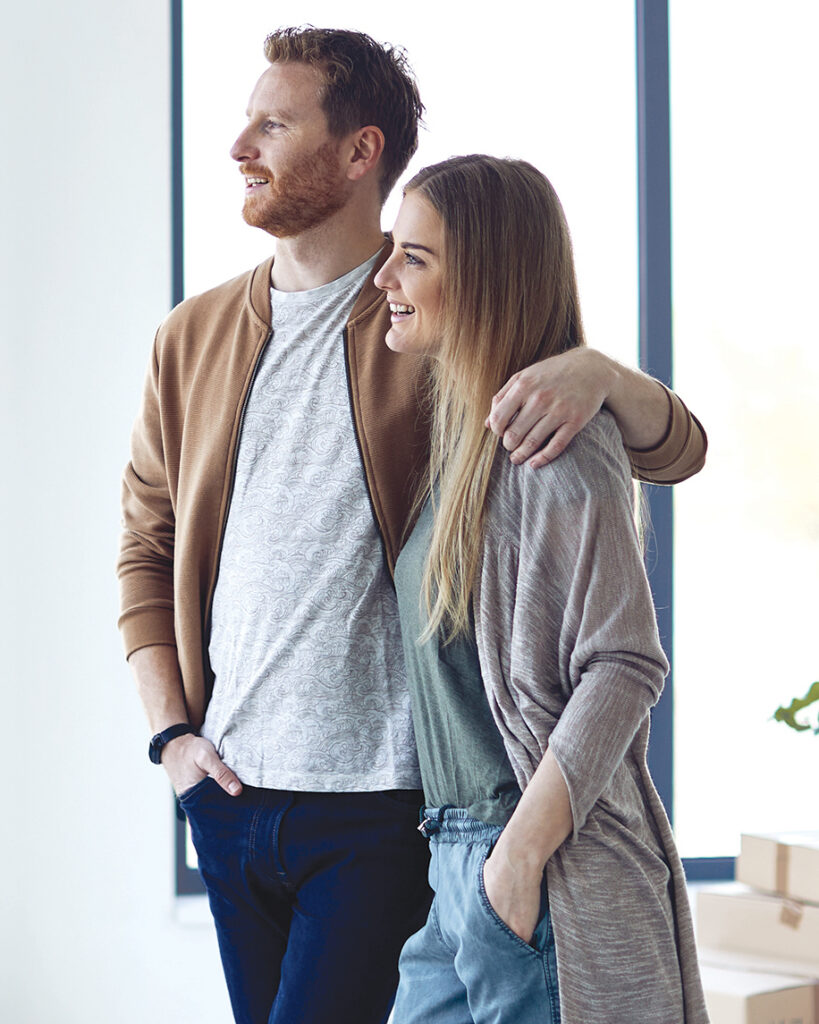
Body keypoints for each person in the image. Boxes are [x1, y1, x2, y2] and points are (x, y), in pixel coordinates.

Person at [117, 27, 707, 1024]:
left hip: (386, 810)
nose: (239, 147)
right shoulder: (192, 337)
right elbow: (144, 544)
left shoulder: (430, 321)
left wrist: (600, 372)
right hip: (227, 798)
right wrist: (173, 736)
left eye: (273, 122)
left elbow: (670, 454)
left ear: (360, 153)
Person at [374, 154, 709, 1024]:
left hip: (526, 861)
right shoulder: (466, 435)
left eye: (415, 257)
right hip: (455, 862)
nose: (386, 278)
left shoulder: (557, 440)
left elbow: (625, 663)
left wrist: (517, 859)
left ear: (482, 278)